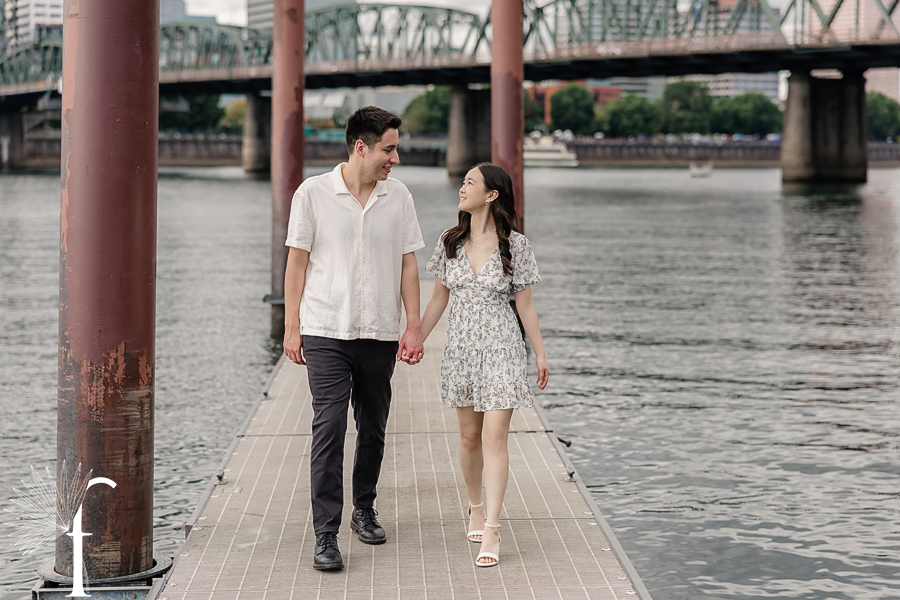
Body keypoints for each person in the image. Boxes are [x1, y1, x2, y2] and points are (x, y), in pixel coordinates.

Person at [283, 106, 426, 571]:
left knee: (374, 427)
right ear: (360, 147)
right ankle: (325, 533)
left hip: (380, 330)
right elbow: (297, 263)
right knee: (329, 428)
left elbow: (408, 263)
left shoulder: (399, 197)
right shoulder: (312, 194)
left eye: (396, 148)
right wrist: (291, 327)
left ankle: (363, 508)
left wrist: (413, 324)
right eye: (389, 148)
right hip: (325, 328)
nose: (396, 159)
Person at [419, 162, 549, 568]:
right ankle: (475, 504)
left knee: (495, 438)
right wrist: (415, 338)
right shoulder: (450, 241)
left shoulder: (516, 245)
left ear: (491, 194)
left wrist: (541, 354)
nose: (462, 187)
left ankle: (492, 529)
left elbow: (524, 304)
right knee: (470, 438)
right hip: (461, 348)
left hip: (503, 348)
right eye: (463, 182)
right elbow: (439, 298)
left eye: (470, 182)